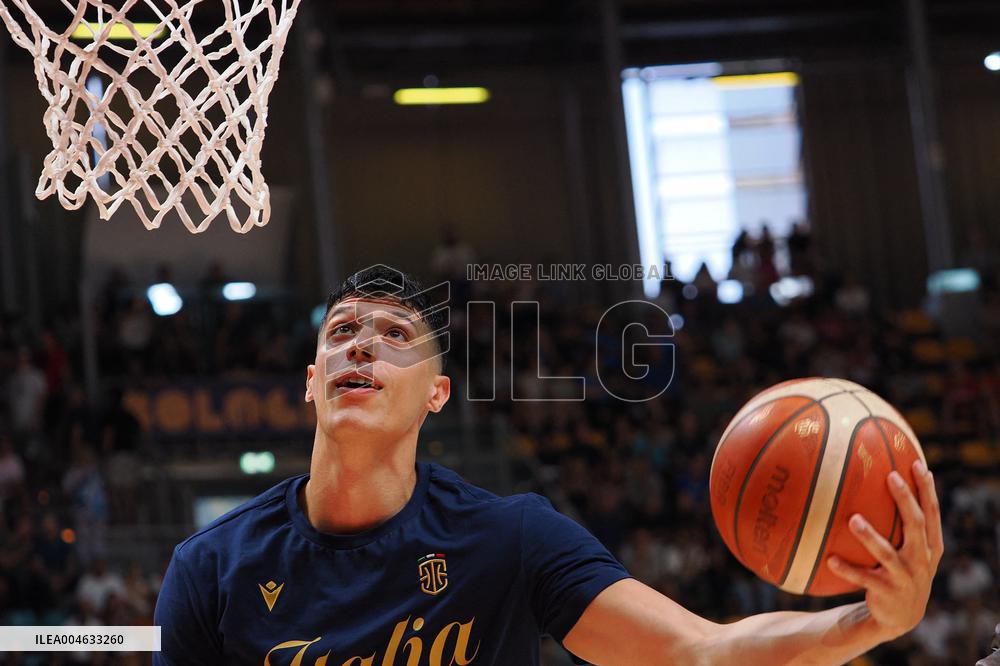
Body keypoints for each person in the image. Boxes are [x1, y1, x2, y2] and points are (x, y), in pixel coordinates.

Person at [154, 264, 943, 665]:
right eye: (341, 332)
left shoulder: (510, 539)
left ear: (437, 395)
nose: (359, 343)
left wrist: (873, 621)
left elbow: (699, 652)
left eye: (395, 334)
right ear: (310, 383)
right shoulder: (212, 568)